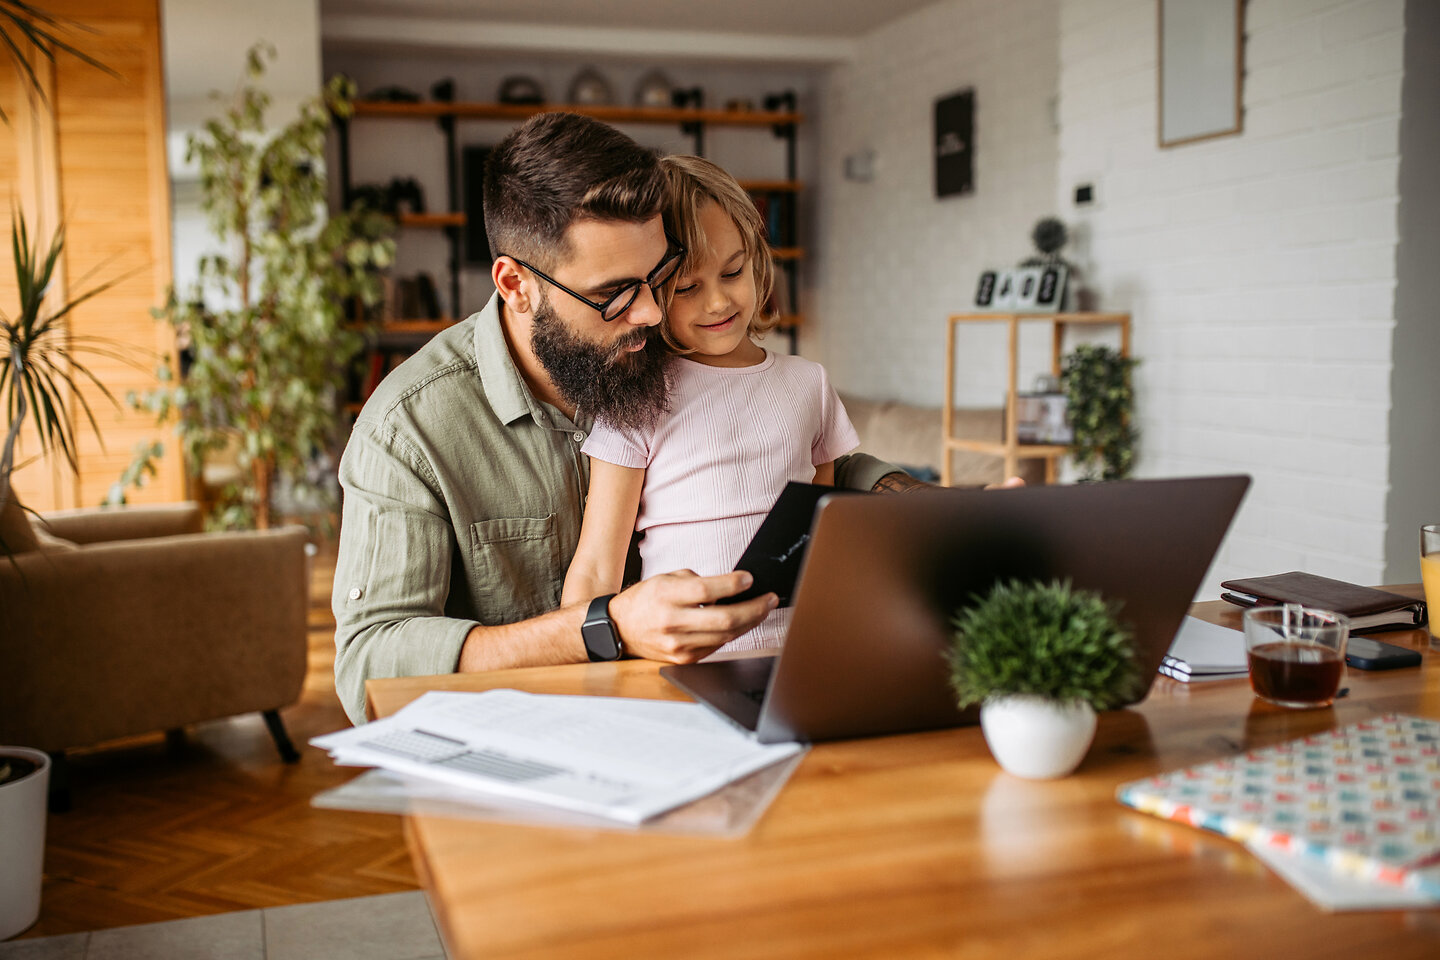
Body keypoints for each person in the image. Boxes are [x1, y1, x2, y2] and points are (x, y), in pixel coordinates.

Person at [331, 113, 911, 724]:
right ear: (516, 284)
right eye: (615, 293)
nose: (654, 313)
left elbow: (785, 444)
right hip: (520, 736)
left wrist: (907, 493)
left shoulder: (668, 344)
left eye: (662, 278)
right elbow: (367, 666)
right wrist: (602, 629)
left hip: (696, 711)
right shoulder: (407, 429)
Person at [562, 155, 857, 652]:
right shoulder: (637, 397)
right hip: (681, 665)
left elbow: (821, 541)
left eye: (733, 271)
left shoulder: (809, 383)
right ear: (650, 295)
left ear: (757, 260)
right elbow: (595, 568)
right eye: (688, 288)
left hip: (804, 652)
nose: (718, 302)